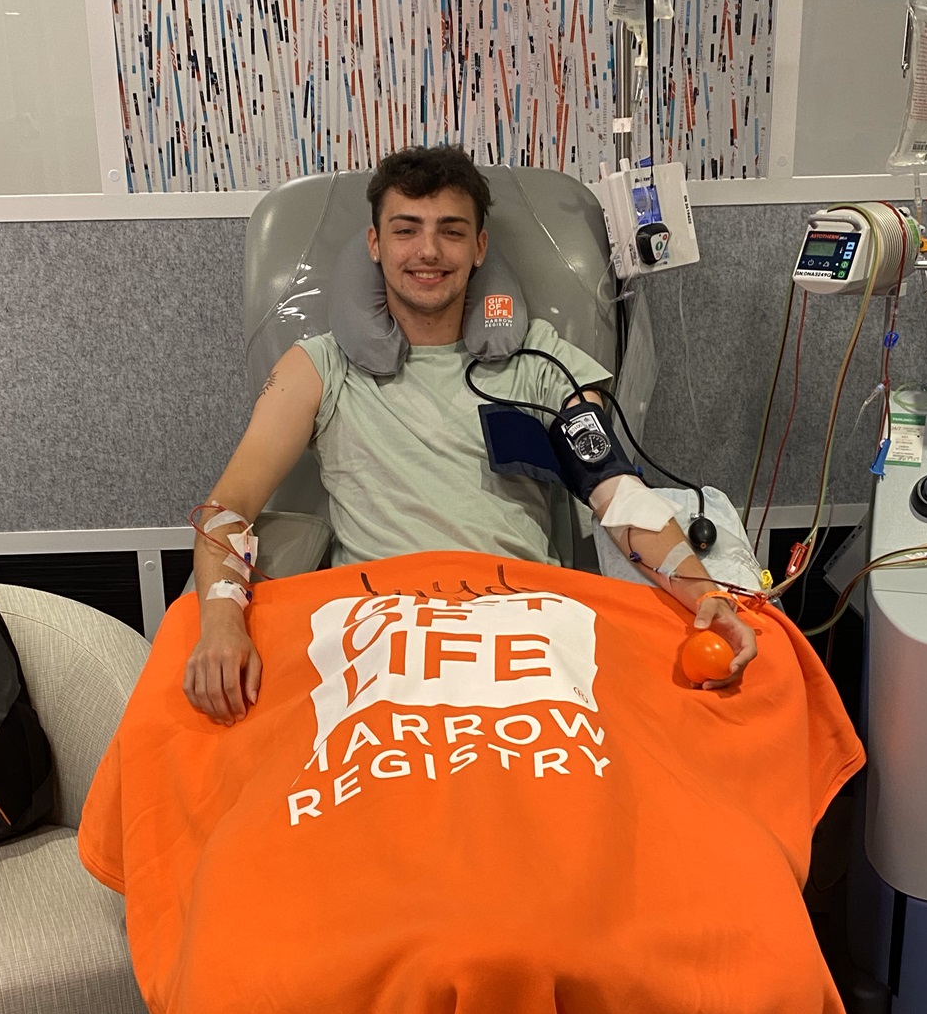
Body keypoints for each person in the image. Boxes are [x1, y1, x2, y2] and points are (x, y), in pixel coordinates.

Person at [187, 144, 755, 723]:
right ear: (375, 244)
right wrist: (221, 620)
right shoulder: (318, 368)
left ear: (480, 246)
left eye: (451, 232)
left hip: (524, 625)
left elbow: (615, 490)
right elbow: (227, 509)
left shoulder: (542, 362)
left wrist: (706, 593)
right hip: (382, 631)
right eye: (406, 230)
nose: (428, 251)